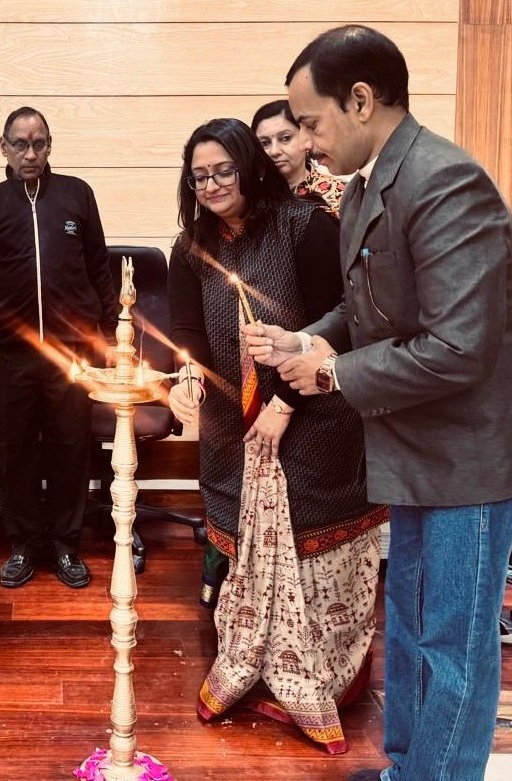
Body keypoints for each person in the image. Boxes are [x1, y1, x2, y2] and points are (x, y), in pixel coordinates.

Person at [246, 26, 512, 781]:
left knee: (452, 641)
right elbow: (364, 310)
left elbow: (459, 347)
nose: (306, 143)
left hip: (472, 460)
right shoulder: (364, 188)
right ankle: (406, 768)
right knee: (411, 626)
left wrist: (333, 375)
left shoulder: (446, 182)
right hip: (415, 449)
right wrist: (302, 339)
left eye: (311, 122)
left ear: (360, 100)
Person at [167, 118, 385, 754]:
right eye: (199, 175)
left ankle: (318, 684)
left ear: (248, 168)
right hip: (231, 425)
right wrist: (185, 375)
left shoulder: (304, 225)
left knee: (314, 555)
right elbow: (187, 330)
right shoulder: (191, 246)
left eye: (223, 171)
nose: (210, 185)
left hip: (315, 416)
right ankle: (251, 670)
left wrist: (285, 403)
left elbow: (345, 321)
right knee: (246, 549)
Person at [0, 107, 118, 590]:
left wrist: (111, 335)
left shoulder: (77, 196)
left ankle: (66, 544)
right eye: (20, 144)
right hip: (8, 352)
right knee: (14, 451)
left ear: (49, 145)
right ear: (4, 147)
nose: (30, 154)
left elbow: (99, 266)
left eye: (39, 144)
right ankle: (23, 542)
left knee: (70, 447)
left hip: (70, 351)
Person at [251, 99, 348, 213]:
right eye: (265, 143)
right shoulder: (250, 199)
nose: (274, 151)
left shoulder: (341, 193)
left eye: (285, 138)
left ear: (305, 137)